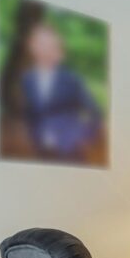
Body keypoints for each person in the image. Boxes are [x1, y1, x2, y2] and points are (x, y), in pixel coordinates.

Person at [21, 23, 102, 160]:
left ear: (55, 46)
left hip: (71, 154)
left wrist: (84, 137)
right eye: (39, 42)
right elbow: (30, 114)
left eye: (48, 43)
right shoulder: (27, 80)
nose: (43, 47)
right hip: (41, 154)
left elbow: (95, 112)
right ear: (32, 47)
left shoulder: (72, 79)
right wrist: (34, 136)